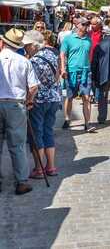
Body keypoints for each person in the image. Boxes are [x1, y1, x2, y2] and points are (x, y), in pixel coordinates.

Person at [0, 28, 39, 195]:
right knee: (18, 145)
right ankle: (21, 182)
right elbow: (34, 86)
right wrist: (29, 100)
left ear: (2, 43)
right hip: (16, 105)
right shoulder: (24, 61)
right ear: (18, 46)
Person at [23, 30, 62, 179]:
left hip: (38, 101)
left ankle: (39, 169)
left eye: (27, 45)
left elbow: (33, 85)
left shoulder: (33, 61)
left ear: (33, 45)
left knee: (37, 134)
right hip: (53, 98)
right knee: (48, 132)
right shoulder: (52, 54)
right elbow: (57, 75)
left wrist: (28, 100)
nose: (25, 48)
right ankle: (51, 166)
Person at [60, 17, 95, 132]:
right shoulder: (68, 39)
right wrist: (62, 68)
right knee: (69, 97)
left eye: (87, 24)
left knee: (87, 97)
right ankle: (67, 119)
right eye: (84, 24)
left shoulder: (88, 40)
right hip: (71, 72)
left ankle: (87, 123)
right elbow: (62, 54)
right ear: (77, 25)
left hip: (86, 72)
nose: (86, 26)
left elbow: (89, 55)